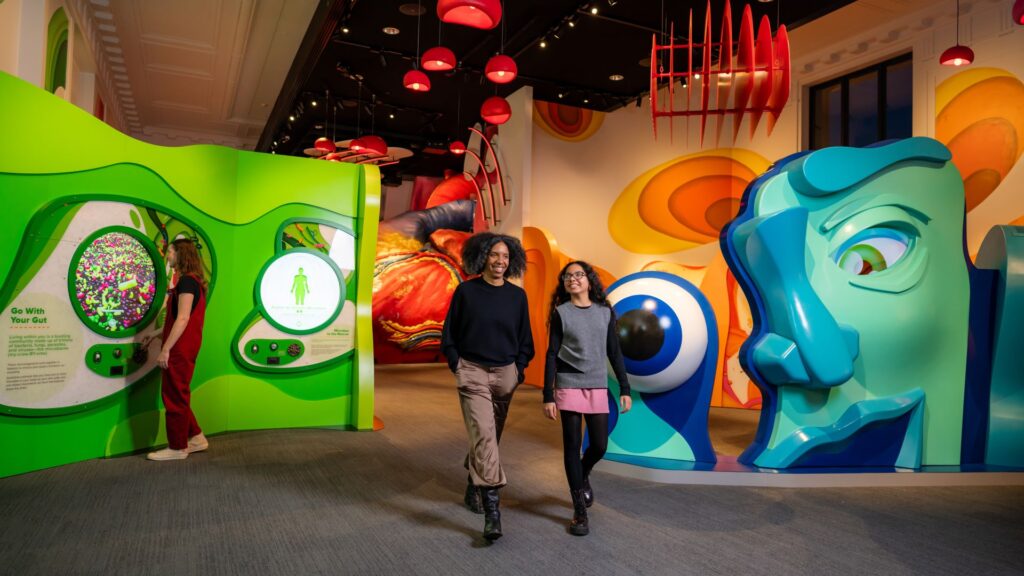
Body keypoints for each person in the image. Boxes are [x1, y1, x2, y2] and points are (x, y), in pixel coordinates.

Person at [441, 232, 534, 541]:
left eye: (506, 257)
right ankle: (493, 511)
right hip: (473, 372)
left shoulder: (517, 296)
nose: (500, 261)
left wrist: (519, 370)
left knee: (489, 437)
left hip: (505, 374)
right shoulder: (466, 292)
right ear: (483, 256)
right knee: (484, 433)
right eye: (495, 255)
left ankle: (473, 482)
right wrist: (458, 364)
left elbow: (526, 340)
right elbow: (449, 334)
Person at [543, 261, 632, 536]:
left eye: (578, 274)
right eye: (568, 276)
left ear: (589, 281)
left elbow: (614, 353)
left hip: (597, 385)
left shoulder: (605, 313)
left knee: (600, 445)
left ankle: (582, 474)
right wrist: (548, 394)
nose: (573, 279)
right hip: (569, 384)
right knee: (571, 446)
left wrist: (625, 389)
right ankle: (579, 509)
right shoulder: (561, 313)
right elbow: (551, 354)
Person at [147, 238, 210, 461]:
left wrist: (165, 349)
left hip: (180, 348)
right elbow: (180, 318)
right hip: (185, 346)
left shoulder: (186, 283)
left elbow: (182, 318)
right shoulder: (192, 282)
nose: (168, 256)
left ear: (181, 255)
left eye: (171, 252)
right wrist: (155, 335)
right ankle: (196, 438)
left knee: (173, 395)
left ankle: (177, 448)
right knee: (179, 393)